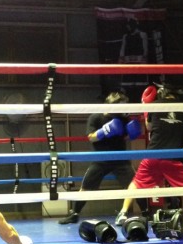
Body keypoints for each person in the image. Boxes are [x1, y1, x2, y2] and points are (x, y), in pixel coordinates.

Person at [115, 83, 183, 226]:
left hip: (154, 154)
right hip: (175, 157)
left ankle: (123, 212)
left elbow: (149, 127)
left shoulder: (154, 105)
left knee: (136, 182)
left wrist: (146, 111)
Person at [58, 92, 146, 224]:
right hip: (100, 159)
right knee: (86, 187)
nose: (122, 109)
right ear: (111, 105)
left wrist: (133, 133)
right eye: (120, 106)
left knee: (135, 185)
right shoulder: (96, 117)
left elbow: (126, 136)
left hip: (120, 159)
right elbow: (91, 137)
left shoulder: (123, 118)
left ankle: (145, 212)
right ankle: (74, 214)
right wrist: (105, 130)